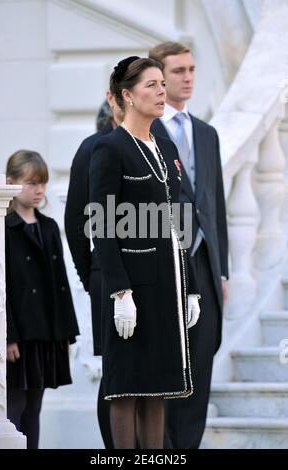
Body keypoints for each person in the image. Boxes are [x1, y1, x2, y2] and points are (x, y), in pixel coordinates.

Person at [89, 56, 201, 449]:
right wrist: (120, 292)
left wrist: (190, 286)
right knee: (126, 387)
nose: (161, 92)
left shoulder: (165, 146)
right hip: (131, 289)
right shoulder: (110, 148)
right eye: (151, 85)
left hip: (166, 284)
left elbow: (176, 219)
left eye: (161, 83)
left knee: (158, 386)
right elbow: (102, 228)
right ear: (127, 95)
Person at [149, 42, 229, 449]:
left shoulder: (208, 133)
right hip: (163, 265)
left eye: (192, 69)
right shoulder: (141, 133)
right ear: (160, 78)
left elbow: (215, 206)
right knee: (165, 374)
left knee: (200, 368)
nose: (188, 77)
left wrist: (223, 271)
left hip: (204, 265)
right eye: (178, 70)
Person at [5, 150, 79, 449]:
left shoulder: (48, 227)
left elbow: (59, 283)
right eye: (31, 183)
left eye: (43, 183)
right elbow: (1, 285)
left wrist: (64, 332)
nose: (38, 190)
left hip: (46, 332)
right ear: (10, 183)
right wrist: (8, 335)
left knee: (34, 408)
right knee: (14, 407)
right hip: (19, 337)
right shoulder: (2, 227)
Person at [64, 91, 123, 449]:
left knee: (152, 380)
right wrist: (92, 277)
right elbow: (75, 222)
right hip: (109, 280)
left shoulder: (159, 145)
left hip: (154, 282)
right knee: (116, 376)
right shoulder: (92, 148)